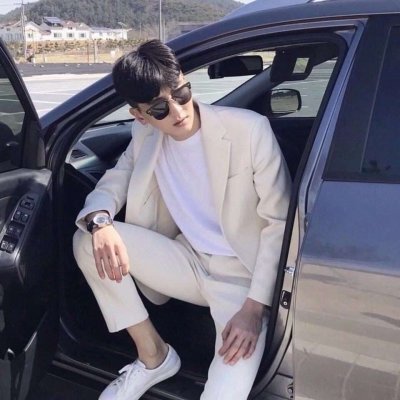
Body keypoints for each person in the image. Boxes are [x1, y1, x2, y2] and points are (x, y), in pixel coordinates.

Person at [73, 39, 291, 400]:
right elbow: (113, 182)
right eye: (159, 108)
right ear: (139, 115)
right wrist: (100, 222)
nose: (177, 111)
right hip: (186, 260)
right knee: (87, 240)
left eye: (181, 93)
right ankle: (154, 356)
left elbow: (280, 222)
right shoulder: (144, 135)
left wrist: (255, 308)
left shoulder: (248, 130)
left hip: (242, 280)